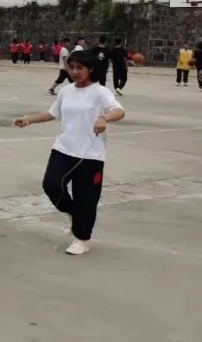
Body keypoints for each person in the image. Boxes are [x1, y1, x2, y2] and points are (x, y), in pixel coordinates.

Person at [13, 49, 125, 255]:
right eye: (71, 67)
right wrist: (29, 119)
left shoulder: (100, 92)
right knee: (51, 185)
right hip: (63, 149)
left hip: (90, 155)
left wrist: (104, 118)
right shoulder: (66, 91)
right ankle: (74, 213)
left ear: (90, 69)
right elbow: (52, 113)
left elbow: (119, 111)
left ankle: (81, 239)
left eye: (79, 68)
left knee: (86, 198)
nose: (74, 71)